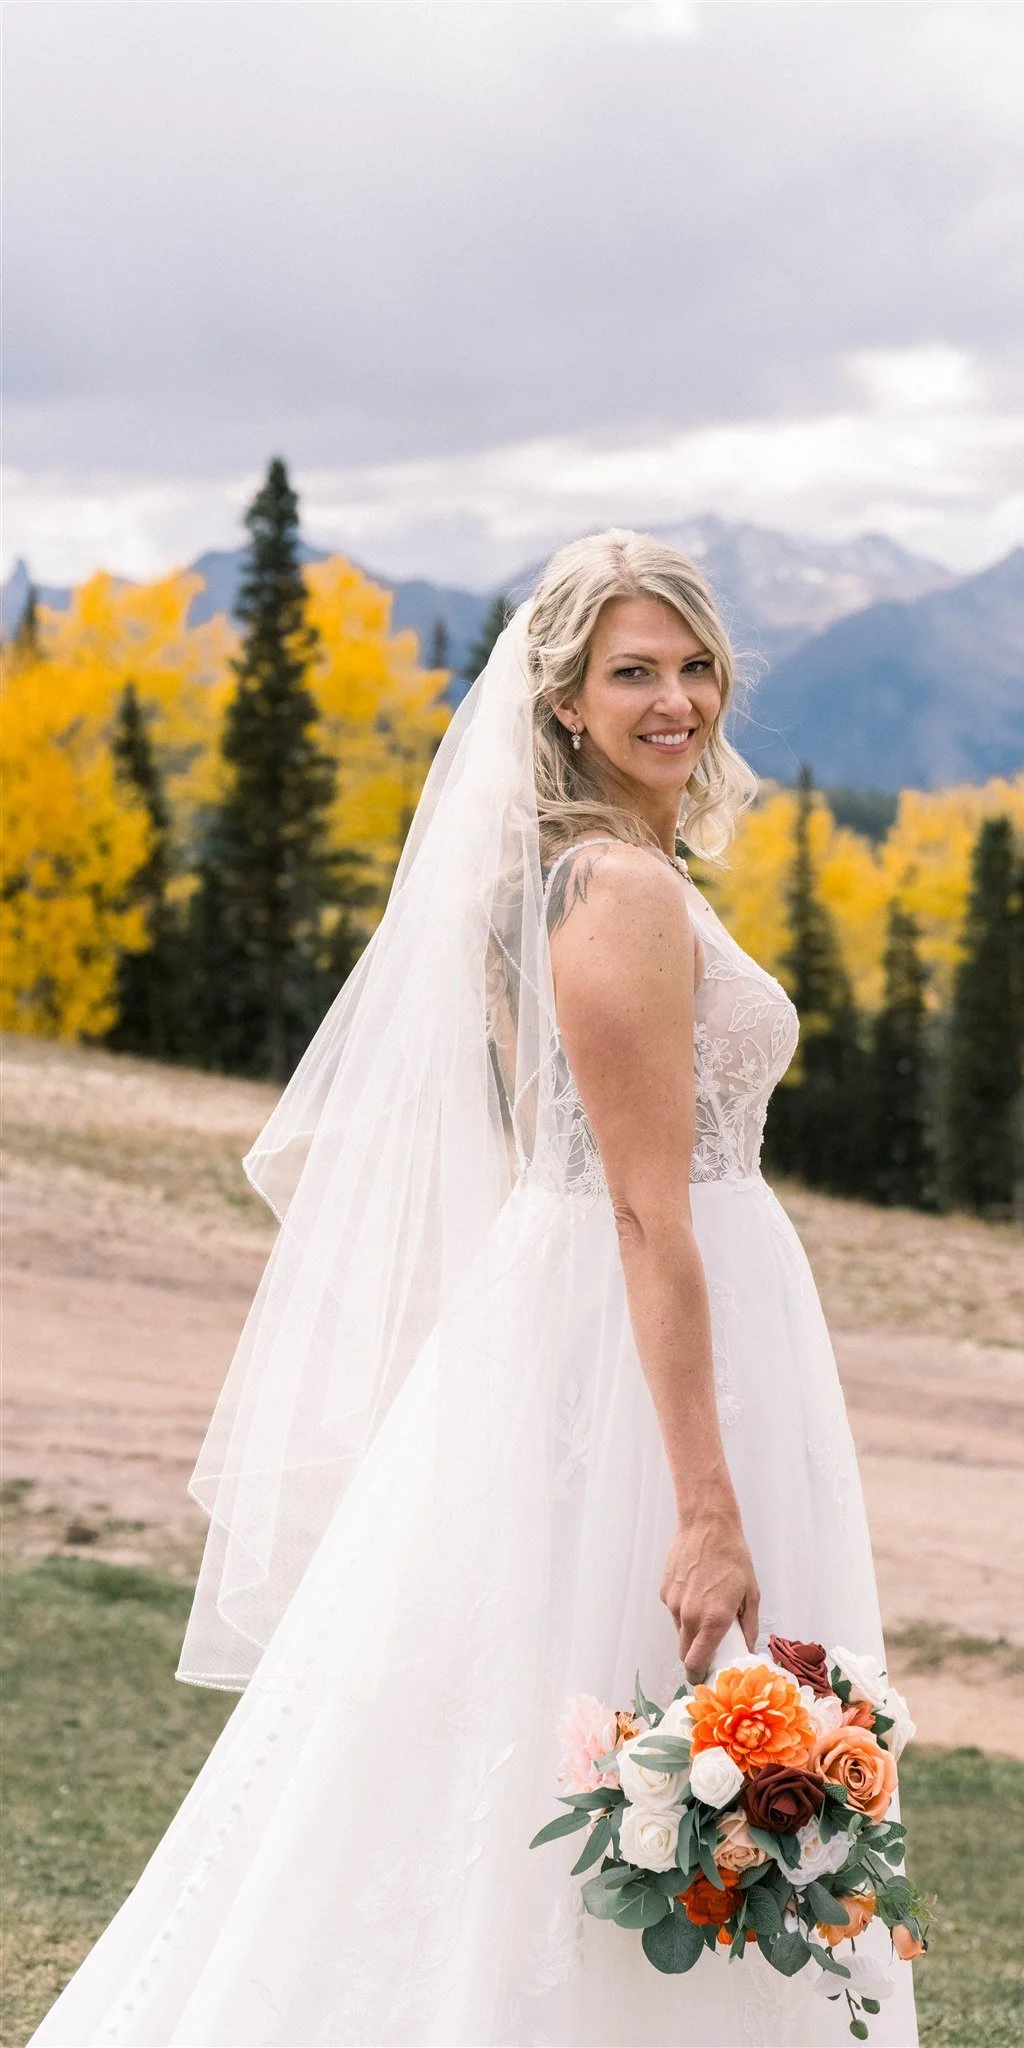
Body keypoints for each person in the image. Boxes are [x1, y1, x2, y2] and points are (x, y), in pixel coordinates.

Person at [30, 532, 917, 2046]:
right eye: (631, 671)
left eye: (695, 666)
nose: (675, 699)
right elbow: (644, 1213)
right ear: (564, 700)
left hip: (583, 1338)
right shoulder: (619, 891)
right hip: (651, 1363)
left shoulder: (556, 880)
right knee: (620, 1697)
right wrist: (703, 1505)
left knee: (519, 1720)